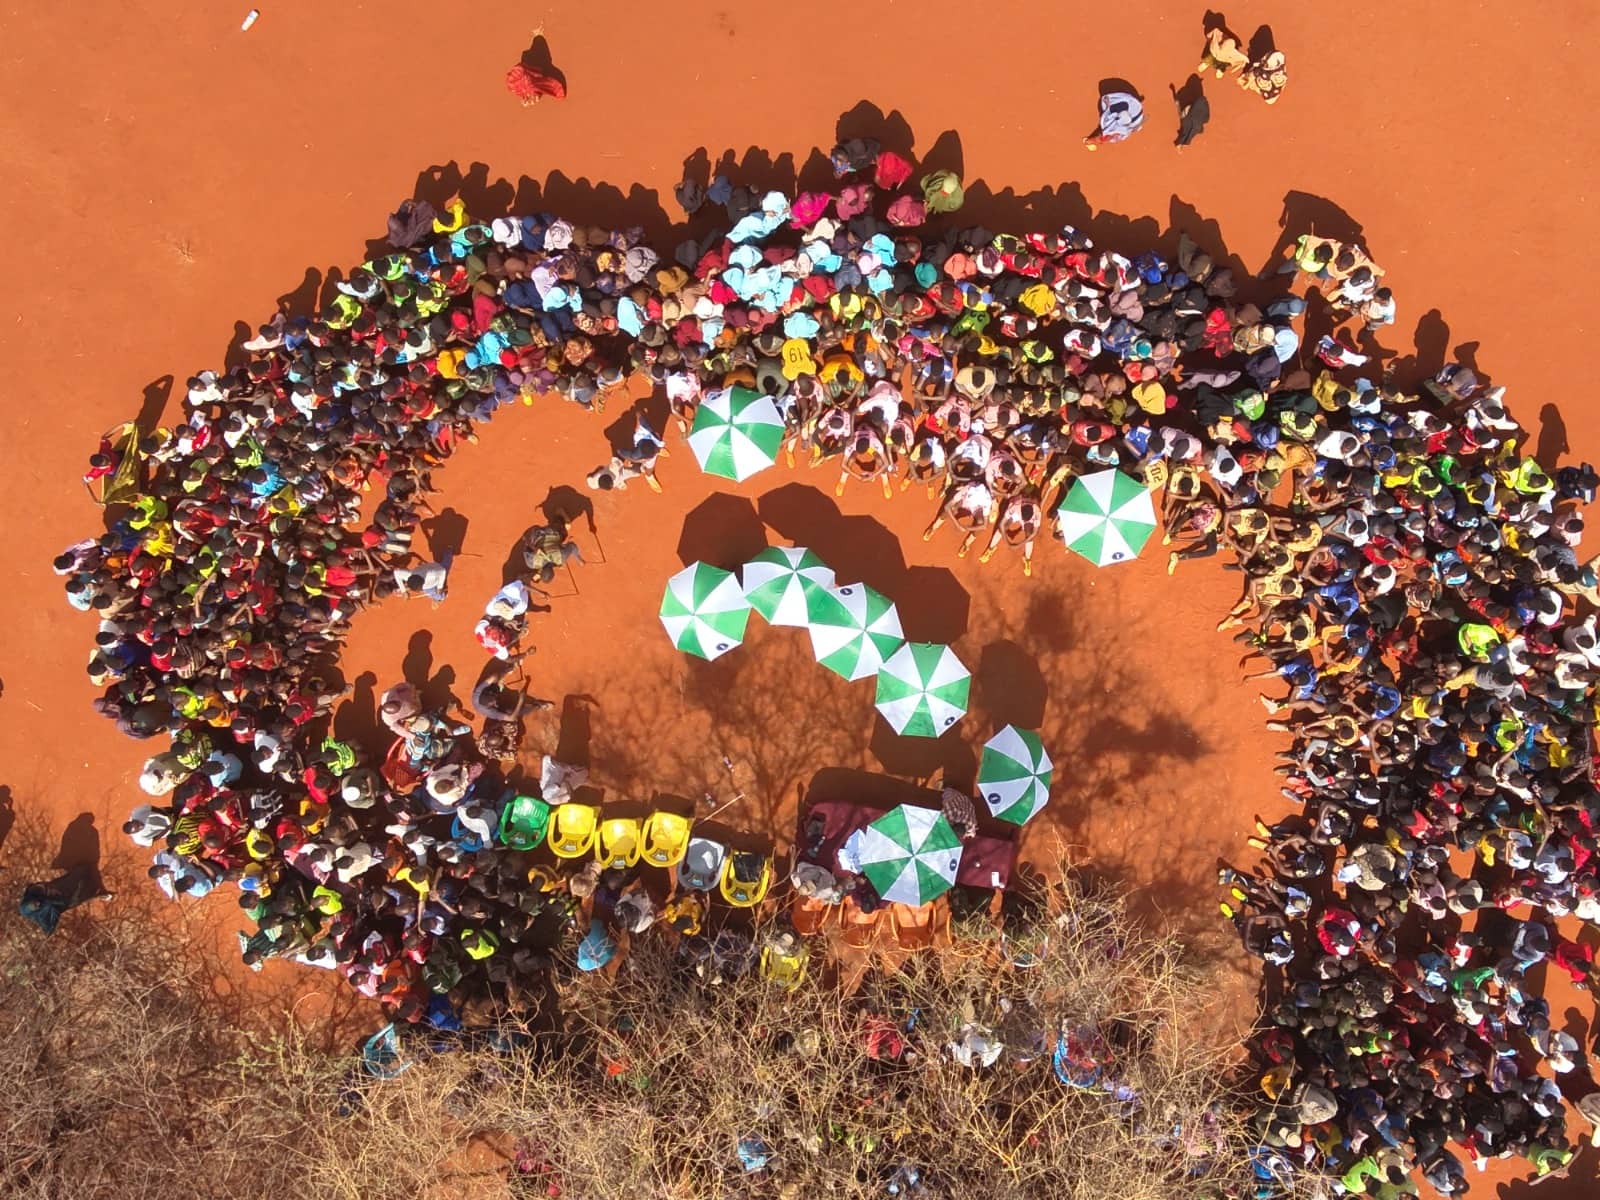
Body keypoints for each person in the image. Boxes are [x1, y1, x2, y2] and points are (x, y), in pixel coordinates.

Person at [19, 864, 113, 934]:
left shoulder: (32, 893)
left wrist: (50, 890)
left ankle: (82, 874)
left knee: (82, 870)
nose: (37, 904)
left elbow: (40, 886)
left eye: (35, 903)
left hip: (55, 889)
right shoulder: (43, 916)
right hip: (62, 901)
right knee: (81, 895)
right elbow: (52, 919)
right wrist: (58, 902)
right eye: (36, 906)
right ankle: (99, 893)